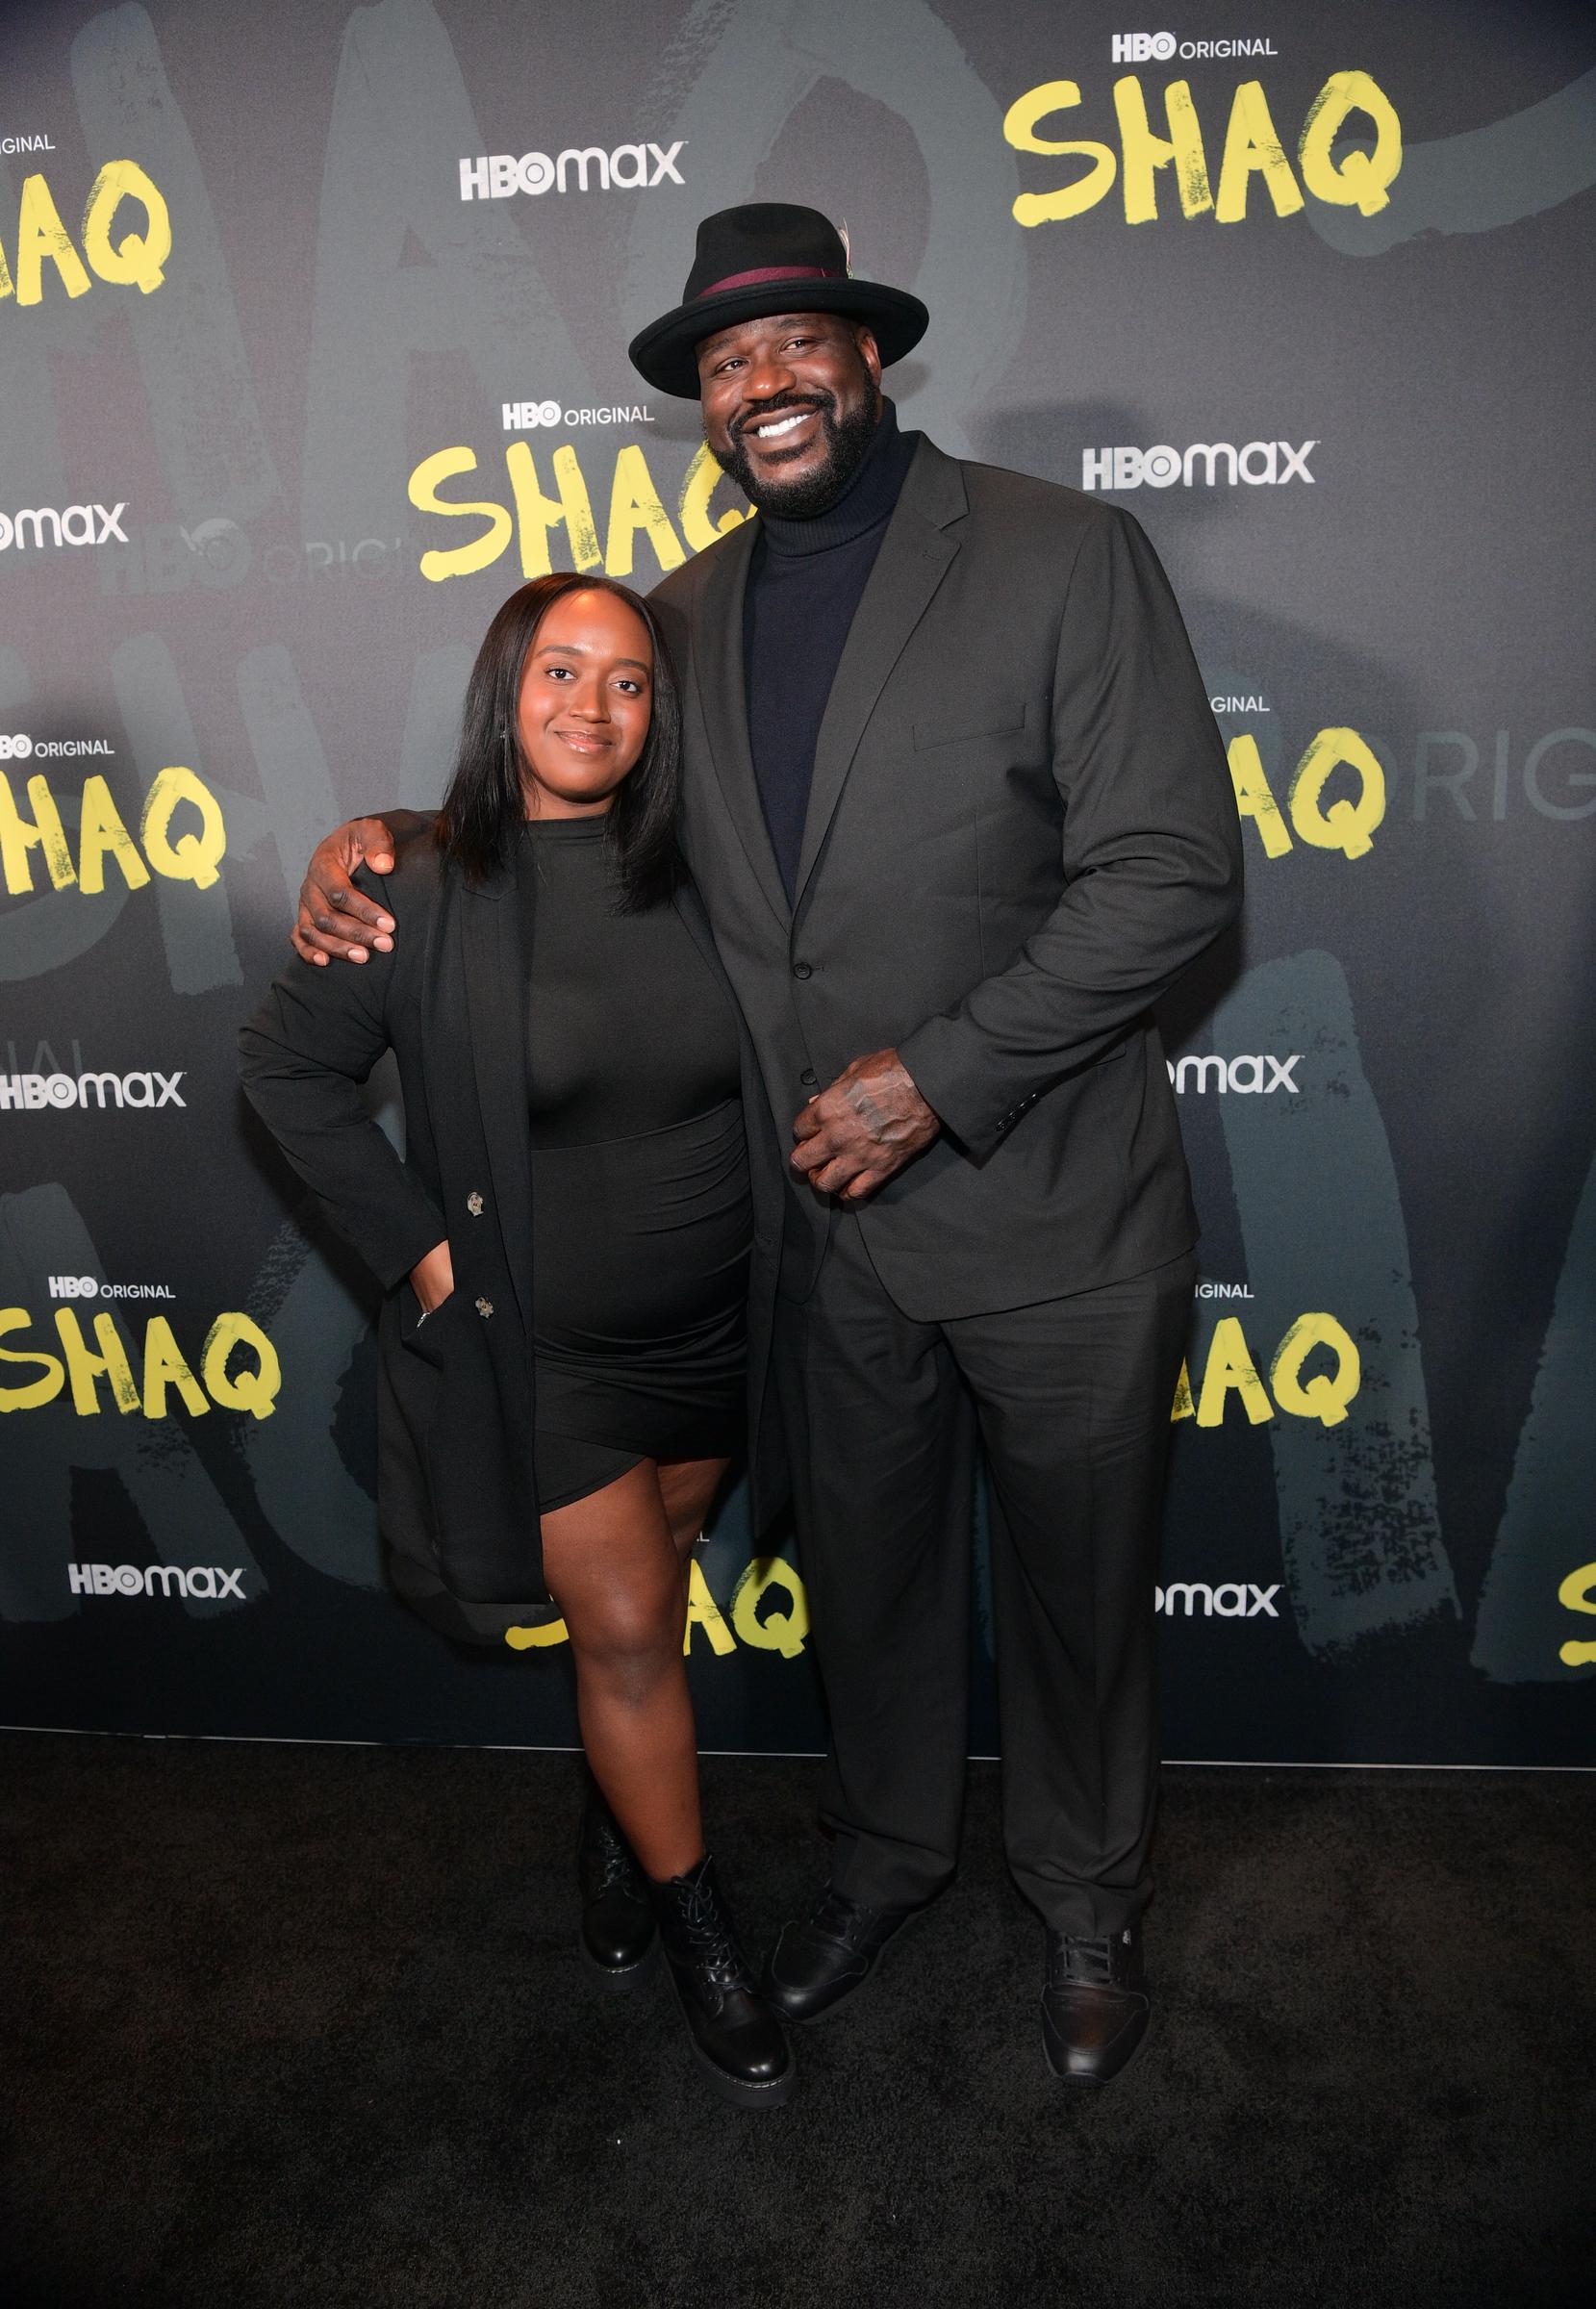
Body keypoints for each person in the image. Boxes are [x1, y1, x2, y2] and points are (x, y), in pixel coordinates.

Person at [291, 204, 1245, 2088]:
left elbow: (1172, 877)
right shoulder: (680, 615)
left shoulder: (1063, 553)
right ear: (704, 412)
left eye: (794, 342)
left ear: (867, 360)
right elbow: (569, 805)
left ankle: (1079, 1898)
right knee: (873, 1591)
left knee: (1074, 1597)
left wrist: (942, 1075)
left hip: (1050, 1211)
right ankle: (886, 1853)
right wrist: (389, 833)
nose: (761, 383)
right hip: (815, 1244)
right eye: (724, 365)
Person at [241, 572, 794, 2111]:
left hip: (715, 1326)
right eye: (560, 671)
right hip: (539, 1353)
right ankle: (704, 1931)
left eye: (628, 683)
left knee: (663, 1591)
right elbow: (285, 1075)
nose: (591, 707)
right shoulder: (413, 881)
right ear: (506, 687)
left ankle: (620, 1820)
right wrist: (425, 1257)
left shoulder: (710, 871)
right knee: (623, 1630)